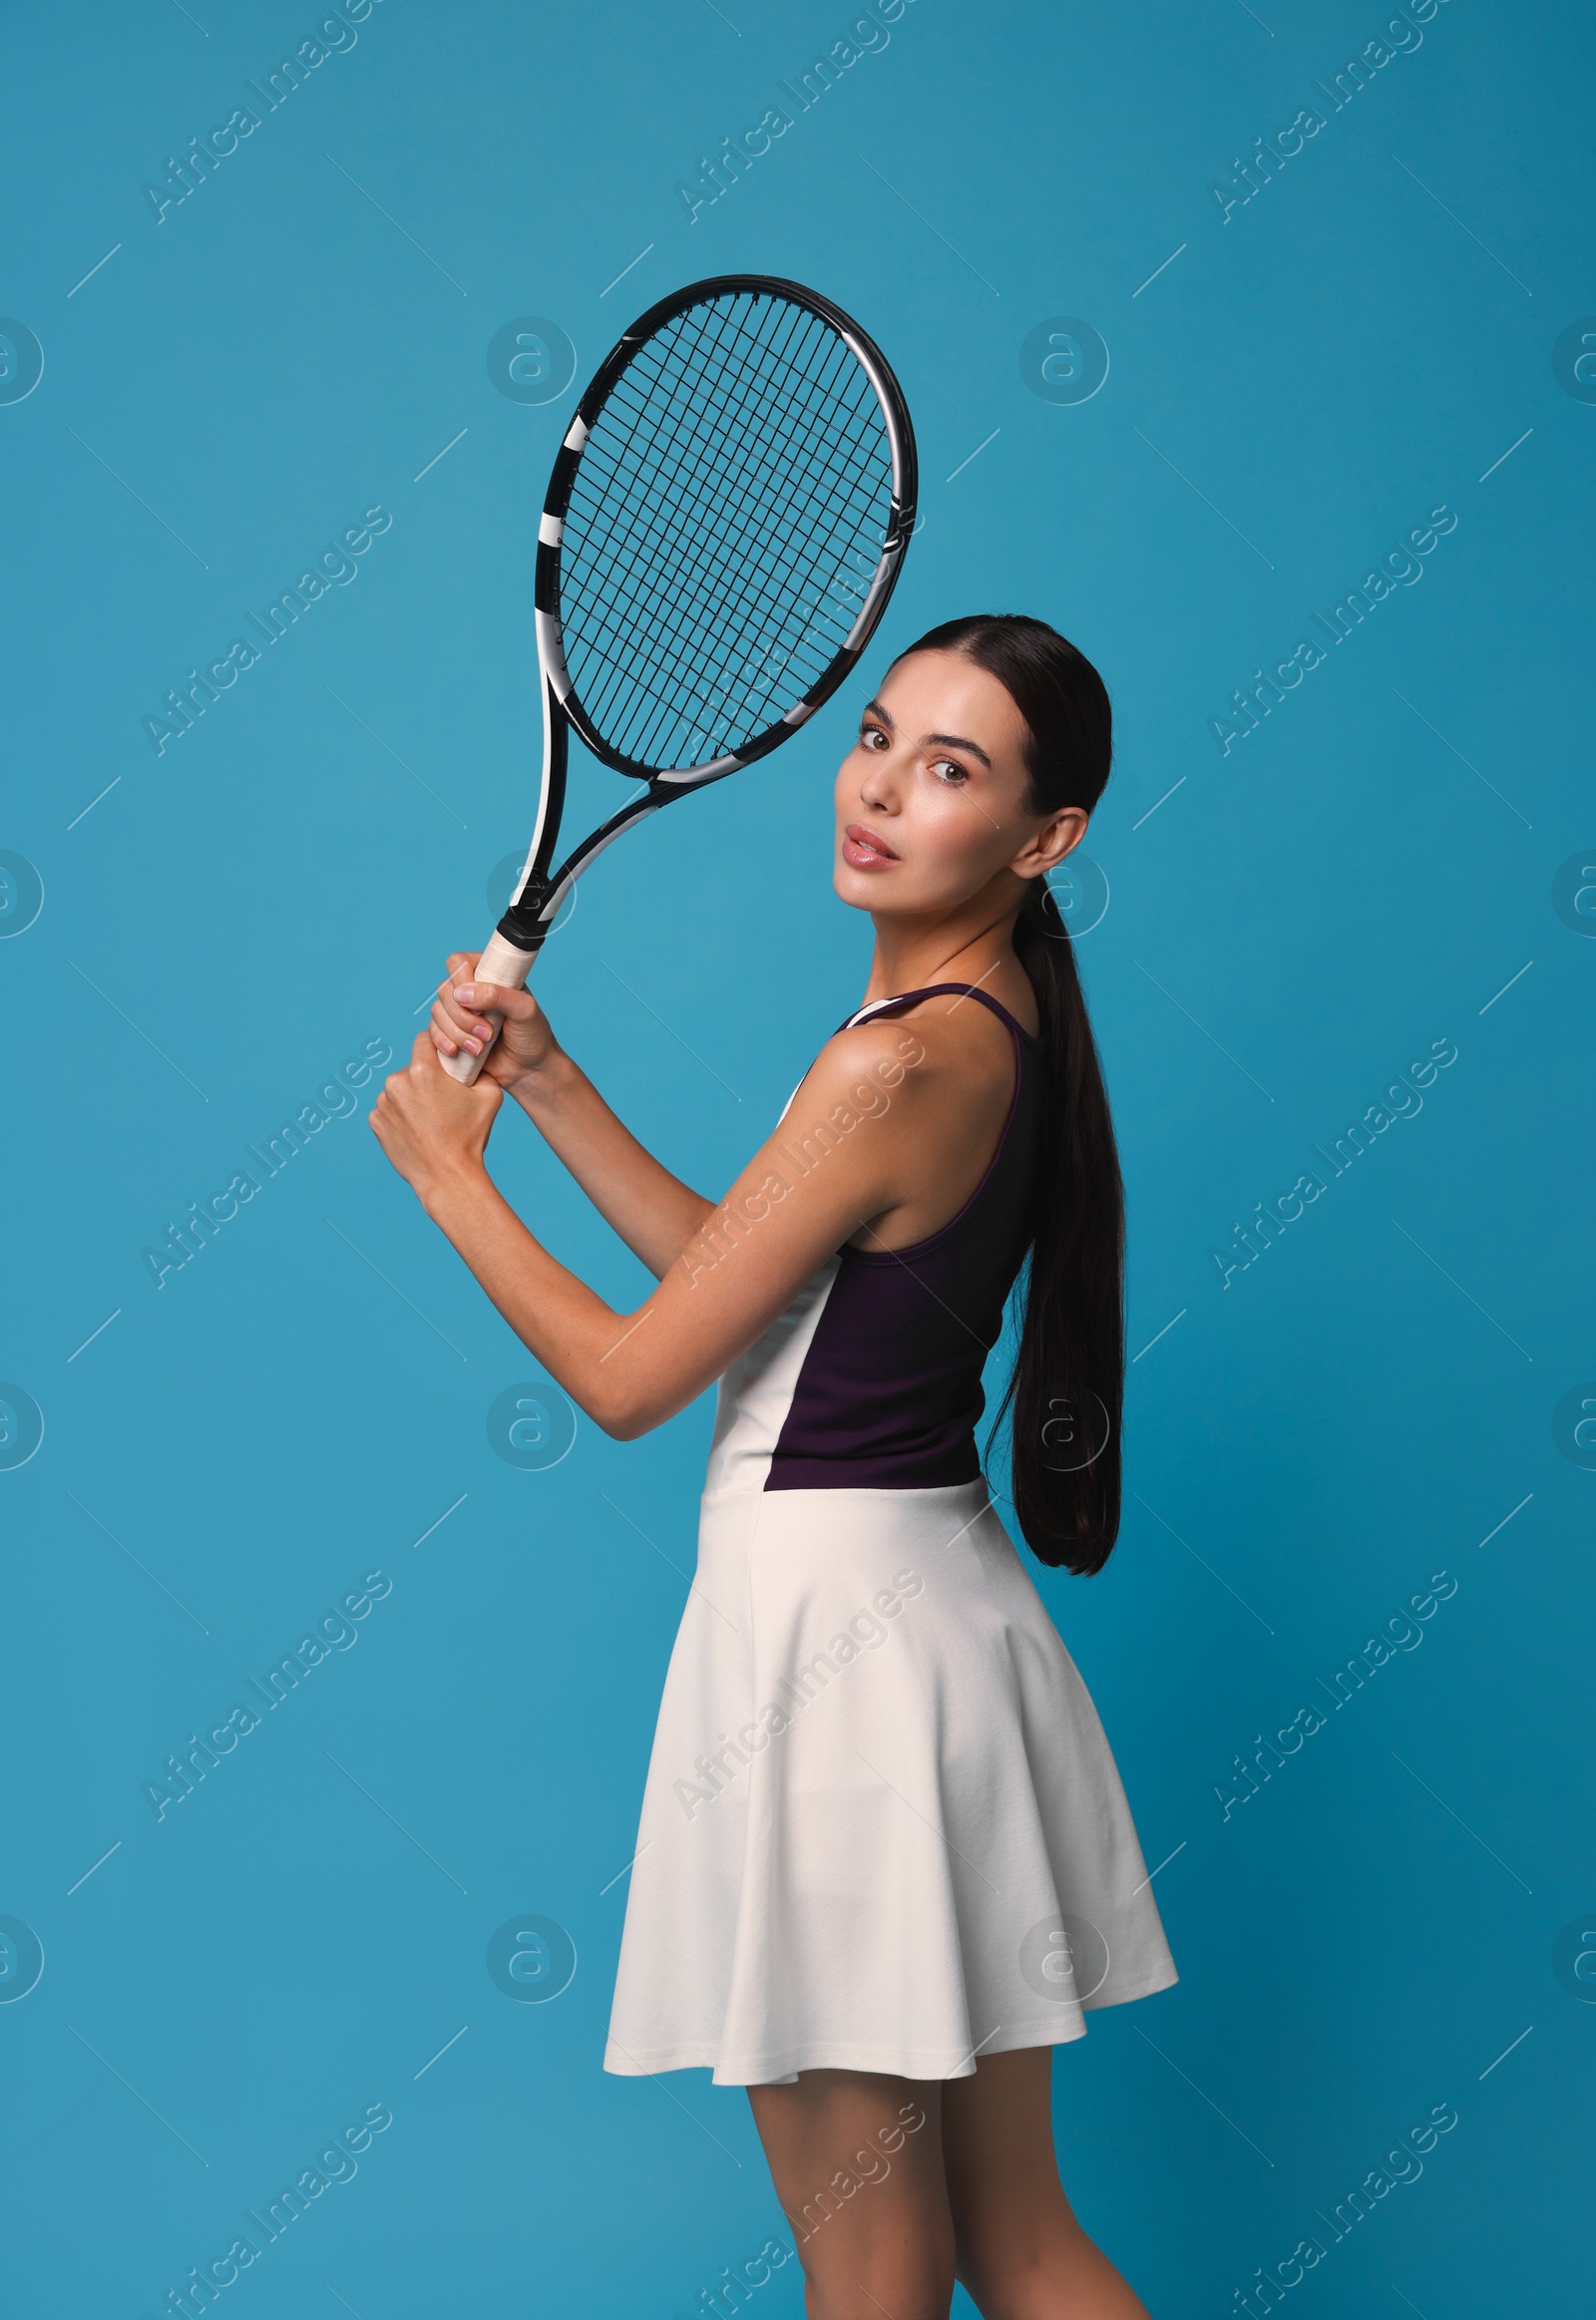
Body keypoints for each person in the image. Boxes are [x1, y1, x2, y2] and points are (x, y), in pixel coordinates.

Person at [370, 614, 1177, 2319]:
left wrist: (451, 1175)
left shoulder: (888, 1062)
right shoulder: (987, 1020)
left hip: (839, 1671)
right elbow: (770, 1301)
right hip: (939, 1632)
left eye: (950, 768)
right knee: (1022, 2239)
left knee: (876, 2261)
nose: (879, 787)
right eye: (878, 734)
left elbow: (626, 1380)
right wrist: (555, 1085)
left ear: (1046, 840)